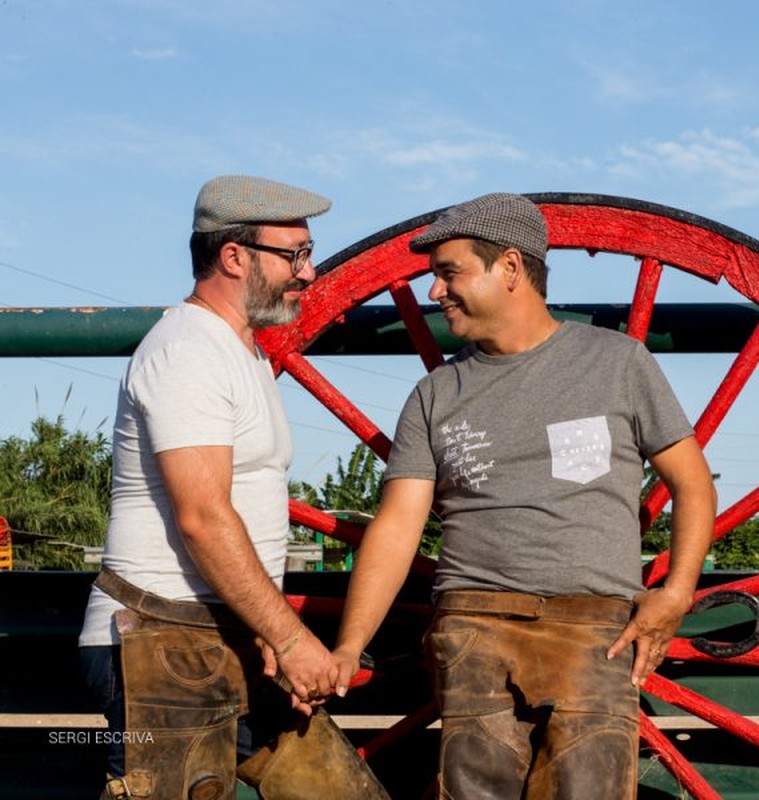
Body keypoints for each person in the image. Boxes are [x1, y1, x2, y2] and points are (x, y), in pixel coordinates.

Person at [332, 192, 717, 798]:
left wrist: (676, 594)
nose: (436, 293)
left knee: (591, 787)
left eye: (449, 272)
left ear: (510, 268)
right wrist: (350, 646)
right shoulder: (437, 394)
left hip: (593, 628)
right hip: (474, 626)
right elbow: (398, 526)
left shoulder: (617, 364)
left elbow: (692, 483)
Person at [78, 175, 388, 799]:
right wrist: (290, 636)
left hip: (223, 636)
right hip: (162, 647)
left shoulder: (237, 351)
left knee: (339, 791)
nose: (309, 273)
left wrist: (266, 633)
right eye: (295, 255)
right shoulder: (188, 352)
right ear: (234, 256)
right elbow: (202, 517)